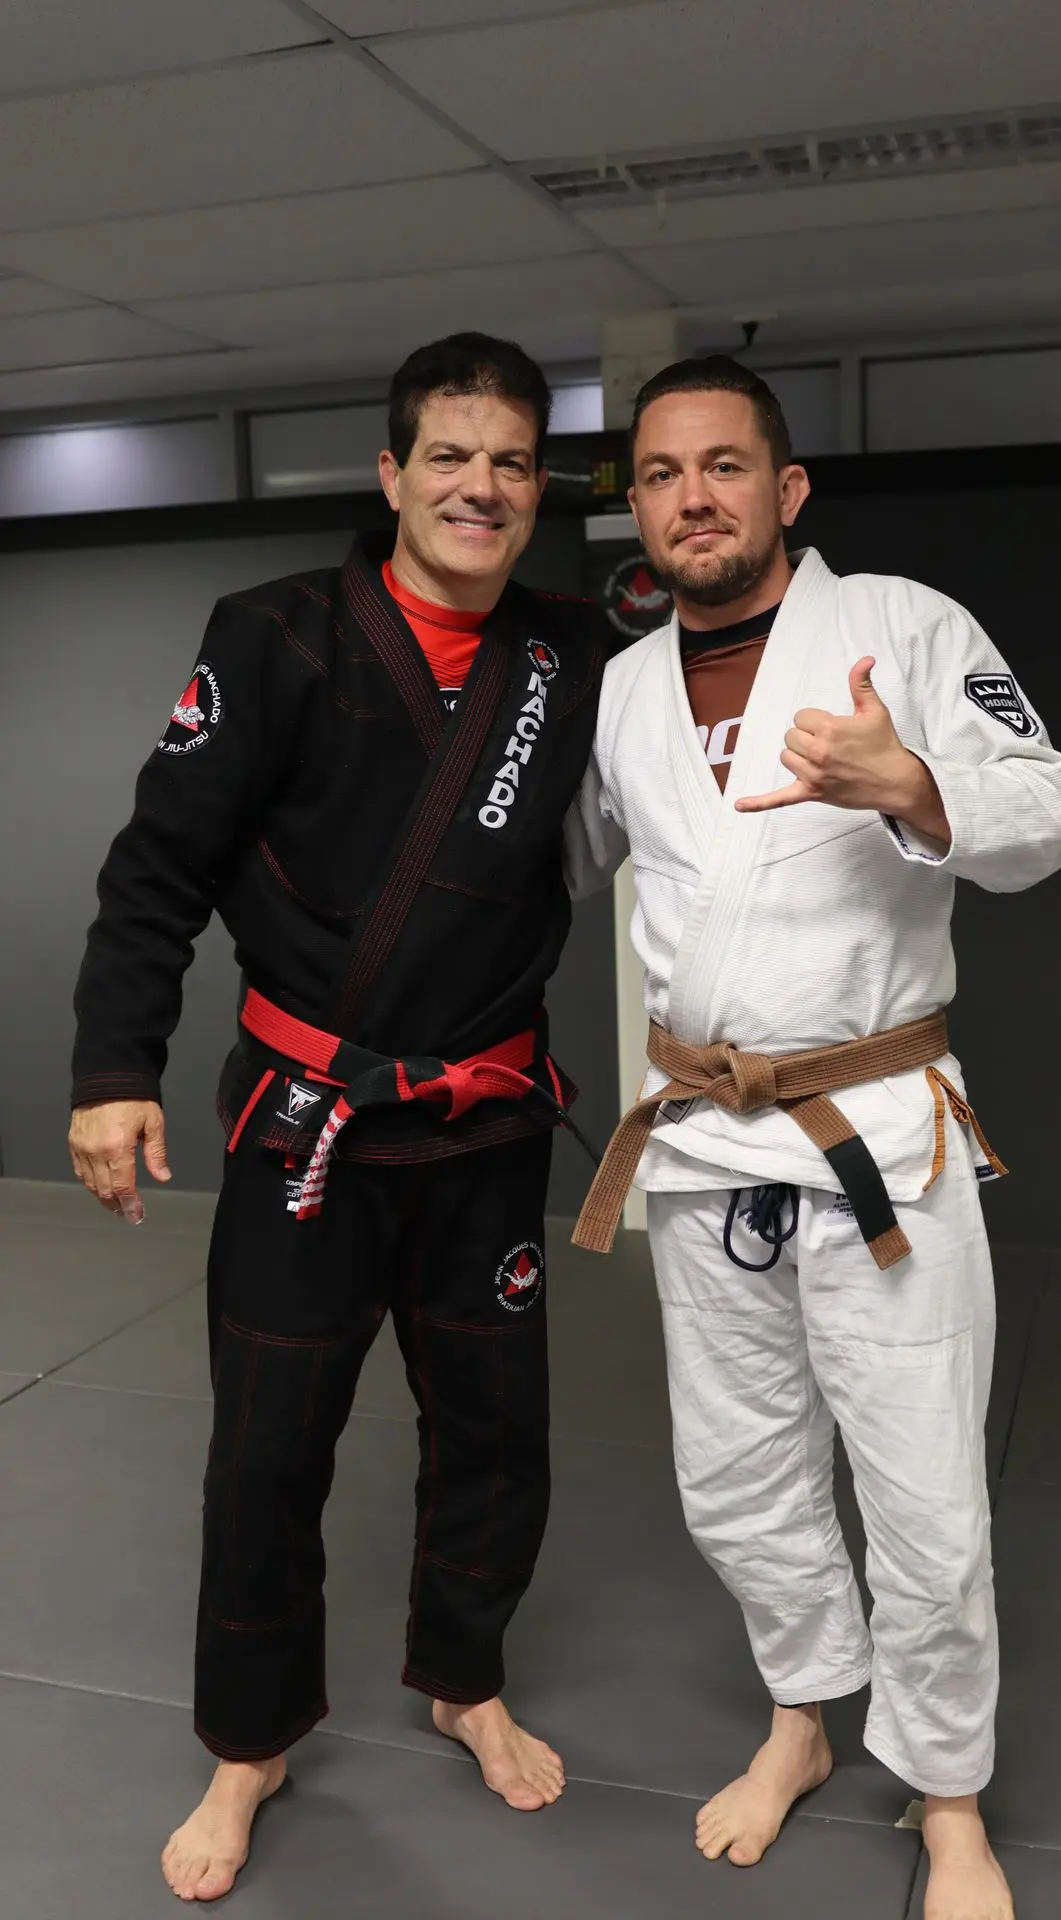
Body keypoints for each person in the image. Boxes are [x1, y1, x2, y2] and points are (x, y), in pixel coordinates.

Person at [68, 333, 614, 1903]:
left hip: (484, 1126)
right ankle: (249, 1742)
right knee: (266, 1454)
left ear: (537, 491)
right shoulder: (276, 638)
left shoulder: (571, 654)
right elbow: (155, 871)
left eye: (512, 462)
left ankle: (463, 1673)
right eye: (450, 456)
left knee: (498, 1436)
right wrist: (117, 1071)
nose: (481, 486)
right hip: (304, 1127)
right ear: (391, 477)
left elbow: (721, 636)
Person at [565, 357, 1061, 1920]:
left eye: (725, 467)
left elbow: (1052, 809)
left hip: (876, 1138)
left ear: (786, 492)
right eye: (662, 475)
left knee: (925, 1495)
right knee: (736, 1476)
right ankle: (802, 1719)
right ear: (639, 507)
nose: (693, 498)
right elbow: (576, 861)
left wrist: (912, 782)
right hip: (706, 1143)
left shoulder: (907, 631)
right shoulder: (624, 688)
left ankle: (948, 1798)